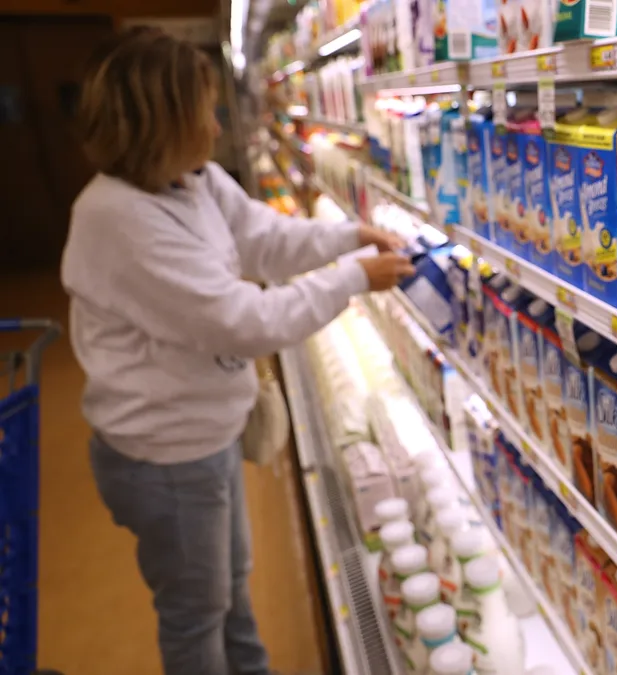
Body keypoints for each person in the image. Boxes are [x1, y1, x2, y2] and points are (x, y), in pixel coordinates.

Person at [60, 28, 412, 675]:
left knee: (232, 589)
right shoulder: (119, 219)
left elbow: (263, 238)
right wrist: (356, 276)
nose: (217, 121)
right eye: (202, 107)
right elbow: (244, 321)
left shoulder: (190, 181)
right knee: (198, 613)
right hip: (164, 456)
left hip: (205, 434)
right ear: (160, 123)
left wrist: (347, 237)